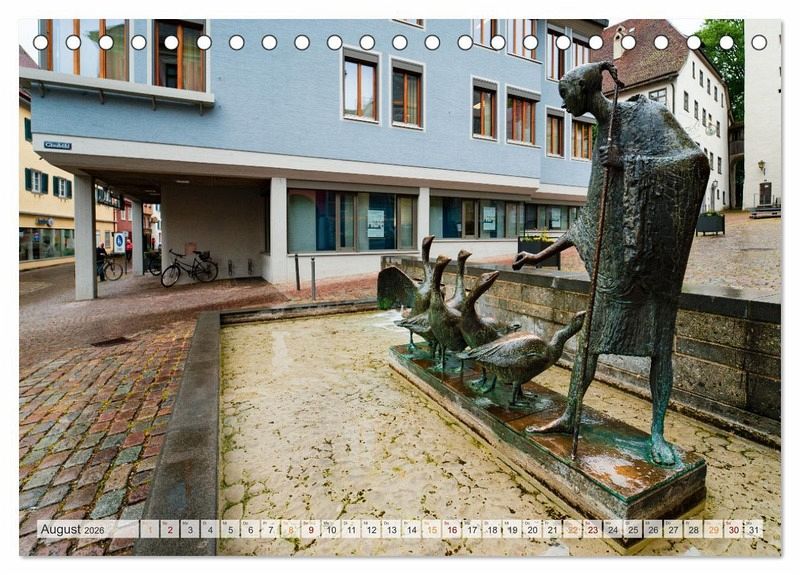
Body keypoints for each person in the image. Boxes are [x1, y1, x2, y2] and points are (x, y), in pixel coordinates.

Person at [513, 61, 710, 465]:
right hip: (613, 269)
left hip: (649, 268)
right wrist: (540, 255)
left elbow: (692, 163)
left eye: (566, 96)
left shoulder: (647, 116)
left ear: (585, 91)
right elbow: (589, 218)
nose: (564, 106)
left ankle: (657, 433)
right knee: (588, 346)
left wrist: (629, 164)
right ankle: (571, 415)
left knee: (658, 351)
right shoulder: (600, 134)